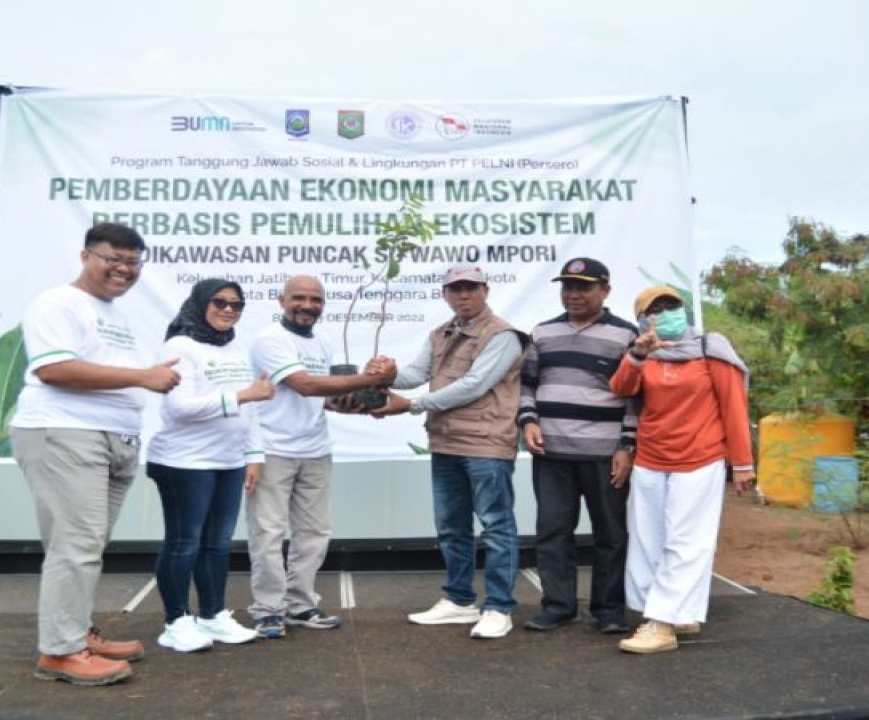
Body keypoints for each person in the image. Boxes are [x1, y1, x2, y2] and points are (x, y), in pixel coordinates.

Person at [11, 222, 182, 686]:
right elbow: (54, 369)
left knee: (87, 544)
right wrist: (143, 378)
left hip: (111, 439)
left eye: (133, 263)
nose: (124, 270)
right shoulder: (57, 302)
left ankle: (77, 634)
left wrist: (146, 377)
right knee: (76, 544)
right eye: (114, 259)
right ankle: (60, 652)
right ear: (86, 256)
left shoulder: (110, 312)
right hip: (65, 433)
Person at [374, 263, 526, 640]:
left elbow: (473, 386)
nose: (463, 295)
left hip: (486, 445)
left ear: (485, 291)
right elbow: (414, 373)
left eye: (471, 288)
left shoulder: (503, 335)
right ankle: (459, 601)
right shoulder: (440, 333)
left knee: (496, 525)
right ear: (444, 294)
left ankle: (498, 607)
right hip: (445, 443)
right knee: (451, 527)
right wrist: (384, 374)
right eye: (455, 289)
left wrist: (408, 405)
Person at [245, 275, 396, 638]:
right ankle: (268, 609)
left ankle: (300, 604)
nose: (308, 306)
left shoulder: (323, 340)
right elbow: (305, 384)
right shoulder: (270, 339)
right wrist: (366, 379)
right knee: (268, 531)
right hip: (273, 449)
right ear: (281, 300)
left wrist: (357, 404)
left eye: (316, 300)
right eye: (299, 298)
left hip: (315, 449)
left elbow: (319, 398)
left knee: (313, 532)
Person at [608, 285, 754, 654]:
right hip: (651, 458)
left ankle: (662, 625)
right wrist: (638, 355)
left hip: (699, 458)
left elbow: (733, 407)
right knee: (648, 541)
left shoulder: (710, 348)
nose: (666, 311)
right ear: (643, 320)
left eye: (671, 305)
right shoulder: (645, 353)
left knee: (685, 542)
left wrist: (742, 464)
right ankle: (671, 613)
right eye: (655, 308)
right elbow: (620, 388)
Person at [146, 279, 273, 653]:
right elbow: (179, 407)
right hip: (184, 462)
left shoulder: (235, 348)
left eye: (237, 305)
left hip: (228, 462)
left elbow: (248, 412)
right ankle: (176, 621)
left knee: (217, 545)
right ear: (200, 303)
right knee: (185, 543)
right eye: (220, 302)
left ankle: (213, 615)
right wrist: (242, 394)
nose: (229, 310)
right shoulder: (180, 347)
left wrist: (253, 456)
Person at [518, 258, 639, 634]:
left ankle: (609, 610)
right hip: (552, 452)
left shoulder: (626, 336)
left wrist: (626, 446)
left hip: (605, 455)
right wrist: (529, 420)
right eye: (567, 286)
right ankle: (558, 606)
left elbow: (637, 397)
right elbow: (527, 385)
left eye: (583, 286)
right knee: (553, 531)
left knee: (611, 533)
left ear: (605, 290)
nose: (573, 294)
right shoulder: (543, 332)